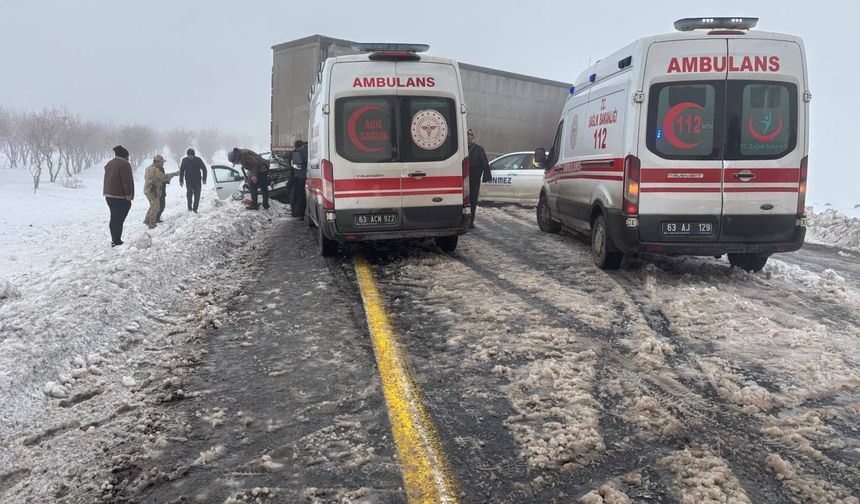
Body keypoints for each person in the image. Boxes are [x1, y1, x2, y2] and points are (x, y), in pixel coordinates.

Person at [103, 145, 135, 247]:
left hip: (108, 195)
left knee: (114, 217)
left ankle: (114, 239)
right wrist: (128, 195)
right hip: (120, 196)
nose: (128, 158)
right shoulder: (125, 164)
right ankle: (117, 241)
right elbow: (127, 181)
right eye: (127, 156)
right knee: (119, 219)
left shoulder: (109, 163)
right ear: (124, 156)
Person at [143, 154, 179, 229]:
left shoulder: (148, 168)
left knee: (153, 205)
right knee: (155, 207)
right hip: (153, 191)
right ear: (157, 162)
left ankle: (147, 220)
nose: (163, 164)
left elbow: (147, 178)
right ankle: (152, 224)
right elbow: (164, 177)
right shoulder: (156, 170)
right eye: (162, 162)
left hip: (147, 189)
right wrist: (175, 174)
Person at [467, 128, 492, 228]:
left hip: (474, 179)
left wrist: (487, 176)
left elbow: (485, 162)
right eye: (467, 134)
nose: (469, 136)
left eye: (471, 135)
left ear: (473, 137)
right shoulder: (460, 148)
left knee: (473, 200)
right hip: (462, 178)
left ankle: (470, 222)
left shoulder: (479, 149)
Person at [179, 148, 207, 213]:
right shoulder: (184, 160)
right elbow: (182, 170)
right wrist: (181, 180)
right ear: (187, 155)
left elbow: (204, 169)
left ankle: (195, 209)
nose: (190, 156)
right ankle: (189, 207)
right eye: (189, 155)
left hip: (197, 180)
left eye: (191, 155)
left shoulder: (198, 160)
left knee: (197, 195)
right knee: (189, 194)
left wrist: (204, 179)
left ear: (194, 155)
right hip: (189, 181)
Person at [290, 140, 308, 220]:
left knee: (300, 197)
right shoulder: (311, 150)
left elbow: (296, 167)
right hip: (312, 176)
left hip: (301, 178)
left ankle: (300, 215)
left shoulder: (297, 152)